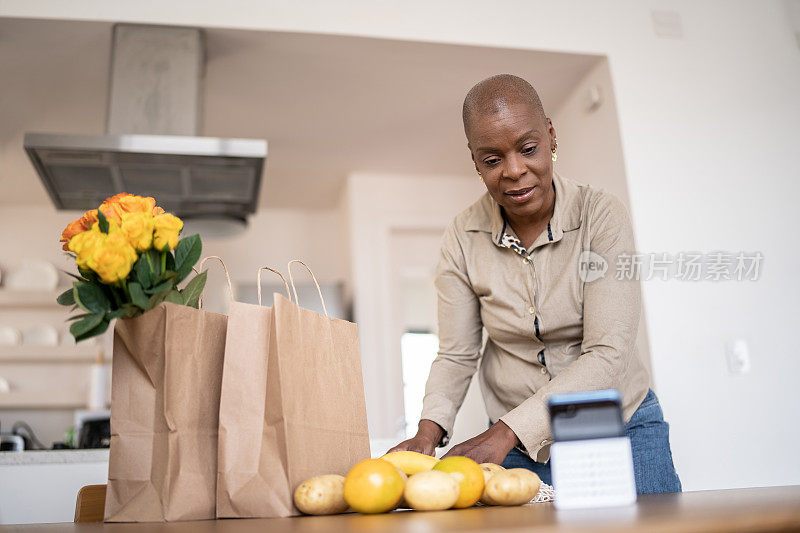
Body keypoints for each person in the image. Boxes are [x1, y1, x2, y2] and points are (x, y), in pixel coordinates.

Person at [388, 74, 681, 494]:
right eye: (492, 160)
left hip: (618, 428)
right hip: (516, 451)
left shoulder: (600, 215)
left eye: (528, 149)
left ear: (550, 137)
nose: (514, 171)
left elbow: (607, 353)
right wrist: (427, 433)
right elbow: (456, 354)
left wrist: (506, 431)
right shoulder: (461, 237)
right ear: (476, 163)